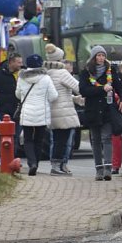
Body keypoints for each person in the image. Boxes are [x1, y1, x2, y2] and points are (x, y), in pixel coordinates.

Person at [80, 45, 122, 181]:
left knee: (107, 138)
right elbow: (83, 90)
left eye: (103, 55)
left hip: (108, 109)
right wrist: (102, 89)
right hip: (93, 110)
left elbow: (119, 87)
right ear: (94, 57)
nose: (101, 58)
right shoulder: (86, 72)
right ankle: (98, 169)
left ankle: (108, 168)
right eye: (98, 56)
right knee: (95, 140)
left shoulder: (111, 70)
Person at [16, 54, 58, 175]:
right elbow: (54, 96)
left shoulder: (21, 78)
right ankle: (36, 164)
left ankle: (32, 163)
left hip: (27, 112)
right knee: (39, 140)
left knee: (28, 140)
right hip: (42, 113)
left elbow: (18, 95)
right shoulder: (46, 78)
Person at [44, 44, 81, 176]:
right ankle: (57, 166)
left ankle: (57, 165)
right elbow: (78, 86)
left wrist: (74, 98)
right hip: (64, 112)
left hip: (53, 111)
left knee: (57, 139)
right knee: (63, 140)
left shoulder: (47, 73)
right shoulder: (62, 73)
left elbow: (57, 92)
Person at [0, 52, 23, 156]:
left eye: (21, 62)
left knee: (15, 137)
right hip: (3, 111)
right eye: (18, 62)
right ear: (11, 62)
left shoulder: (22, 74)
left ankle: (12, 157)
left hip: (19, 111)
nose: (21, 64)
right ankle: (3, 158)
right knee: (5, 136)